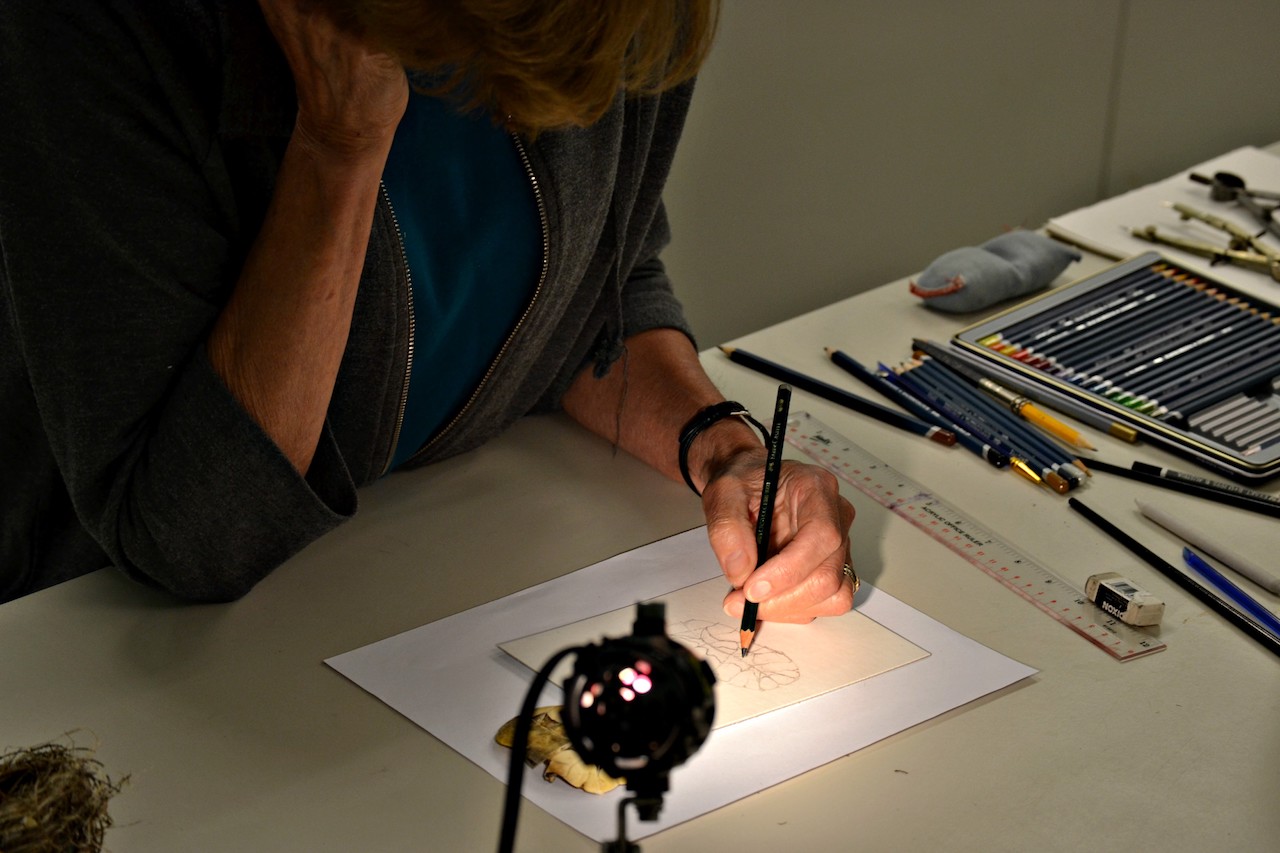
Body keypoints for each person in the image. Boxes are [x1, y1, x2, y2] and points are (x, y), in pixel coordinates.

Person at [0, 0, 856, 624]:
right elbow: (188, 534)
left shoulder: (624, 16)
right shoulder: (102, 31)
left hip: (413, 592)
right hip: (103, 651)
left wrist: (729, 452)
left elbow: (601, 288)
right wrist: (338, 146)